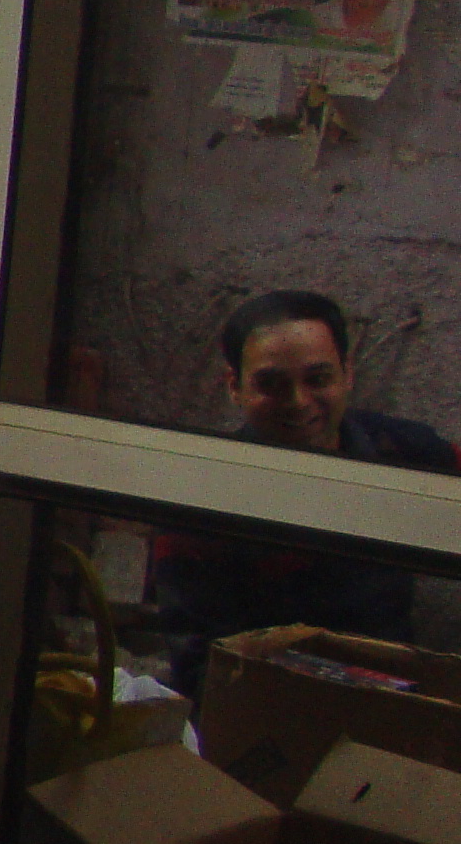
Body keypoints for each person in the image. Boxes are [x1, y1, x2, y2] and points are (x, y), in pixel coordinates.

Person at [150, 288, 457, 693]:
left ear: (347, 375)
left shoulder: (397, 450)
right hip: (265, 707)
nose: (297, 402)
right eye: (271, 384)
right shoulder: (198, 508)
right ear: (234, 386)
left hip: (395, 703)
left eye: (318, 379)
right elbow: (201, 669)